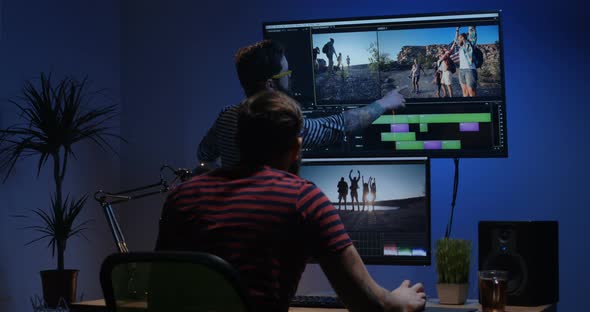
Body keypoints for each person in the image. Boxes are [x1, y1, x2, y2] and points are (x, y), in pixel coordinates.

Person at [157, 90, 427, 312]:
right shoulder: (302, 198)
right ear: (297, 147)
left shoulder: (182, 196)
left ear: (238, 141)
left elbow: (160, 296)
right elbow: (370, 304)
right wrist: (400, 301)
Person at [198, 40, 406, 169]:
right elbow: (340, 125)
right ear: (271, 84)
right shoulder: (279, 125)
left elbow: (204, 155)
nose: (290, 78)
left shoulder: (226, 116)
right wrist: (385, 102)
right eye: (287, 73)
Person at [451, 27, 478, 97]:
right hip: (461, 70)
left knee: (471, 92)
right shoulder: (460, 47)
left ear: (463, 38)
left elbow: (473, 36)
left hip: (470, 69)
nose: (457, 39)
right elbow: (455, 39)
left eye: (459, 38)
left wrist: (471, 27)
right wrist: (457, 30)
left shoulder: (470, 44)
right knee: (465, 92)